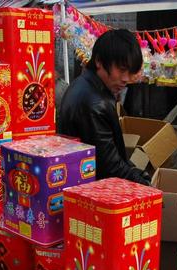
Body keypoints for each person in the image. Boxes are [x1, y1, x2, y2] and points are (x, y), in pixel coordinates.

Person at [58, 29, 150, 185]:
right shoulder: (94, 103)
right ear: (99, 61)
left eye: (130, 71)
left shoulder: (85, 85)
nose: (126, 79)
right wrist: (144, 184)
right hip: (90, 189)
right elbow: (109, 167)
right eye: (121, 69)